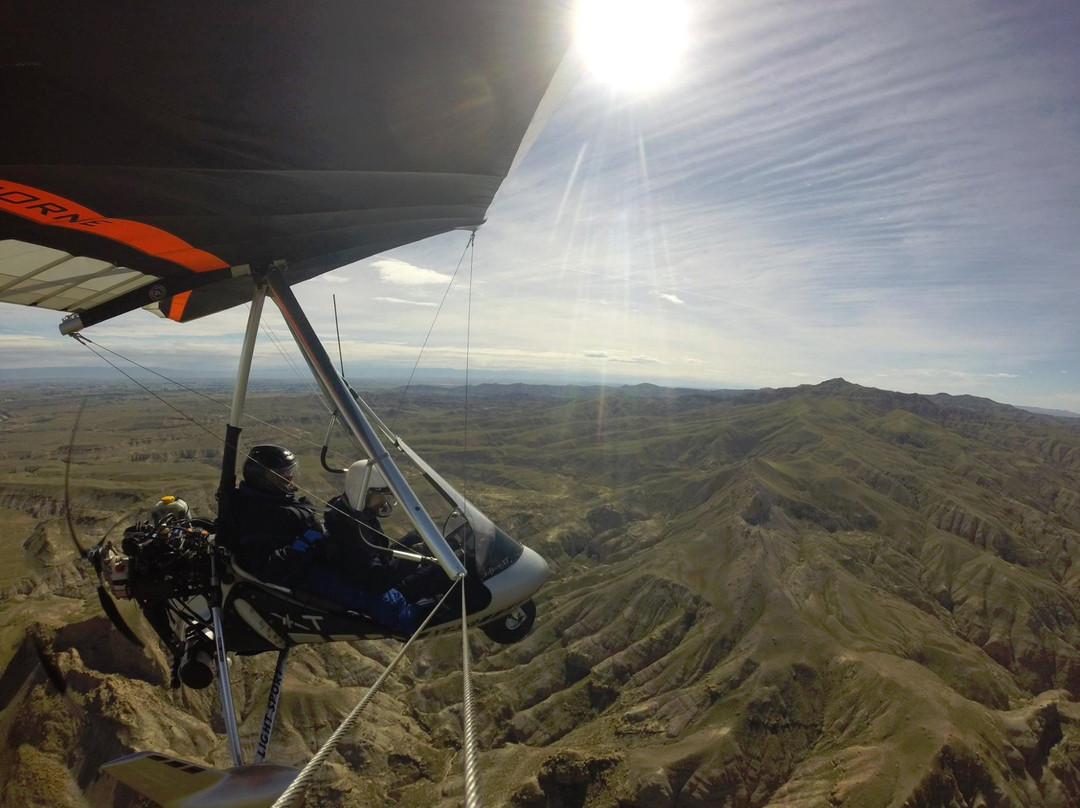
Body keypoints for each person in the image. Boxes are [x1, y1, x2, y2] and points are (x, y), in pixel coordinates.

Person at [223, 445, 420, 633]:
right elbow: (270, 567)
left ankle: (406, 588)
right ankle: (409, 620)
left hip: (311, 561)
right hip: (300, 576)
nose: (291, 480)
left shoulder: (271, 503)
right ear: (264, 479)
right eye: (284, 476)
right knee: (367, 595)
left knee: (367, 568)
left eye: (291, 473)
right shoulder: (256, 515)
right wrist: (309, 539)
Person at [323, 460, 449, 604]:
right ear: (362, 492)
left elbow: (376, 555)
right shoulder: (349, 531)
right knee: (440, 571)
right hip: (383, 589)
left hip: (378, 570)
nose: (383, 502)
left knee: (416, 536)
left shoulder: (355, 512)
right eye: (381, 496)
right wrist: (415, 555)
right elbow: (375, 582)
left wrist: (414, 544)